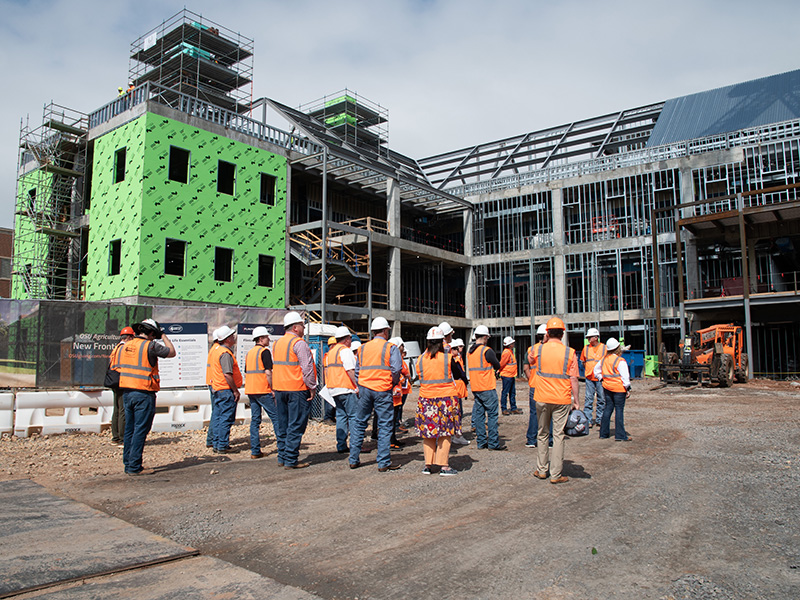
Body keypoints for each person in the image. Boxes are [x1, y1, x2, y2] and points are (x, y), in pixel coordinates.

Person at [117, 319, 175, 475]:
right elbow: (171, 352)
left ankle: (128, 462)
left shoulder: (126, 345)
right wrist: (163, 336)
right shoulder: (150, 345)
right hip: (143, 393)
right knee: (140, 430)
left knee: (130, 429)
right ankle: (134, 467)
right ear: (151, 333)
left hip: (127, 392)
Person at [350, 317, 403, 472]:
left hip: (365, 389)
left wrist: (362, 384)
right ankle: (383, 462)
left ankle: (353, 459)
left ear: (373, 332)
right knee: (385, 425)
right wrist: (391, 383)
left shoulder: (362, 348)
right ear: (386, 331)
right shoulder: (390, 348)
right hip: (382, 389)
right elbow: (396, 369)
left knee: (360, 423)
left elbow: (358, 371)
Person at [533, 317, 579, 484]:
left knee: (542, 433)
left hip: (542, 397)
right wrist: (577, 401)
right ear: (562, 333)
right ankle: (556, 474)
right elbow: (573, 379)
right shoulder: (570, 352)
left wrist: (544, 342)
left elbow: (530, 360)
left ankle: (542, 469)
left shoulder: (538, 350)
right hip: (562, 398)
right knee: (558, 435)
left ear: (547, 333)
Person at [272, 311, 317, 469]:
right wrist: (312, 387)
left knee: (283, 424)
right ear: (296, 328)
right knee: (296, 425)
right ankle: (291, 460)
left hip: (279, 389)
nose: (304, 329)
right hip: (296, 389)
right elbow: (307, 368)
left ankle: (282, 457)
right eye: (302, 326)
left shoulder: (277, 344)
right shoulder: (299, 344)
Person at [416, 327, 459, 476]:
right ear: (442, 341)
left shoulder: (421, 359)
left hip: (426, 399)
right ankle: (444, 466)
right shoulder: (447, 358)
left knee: (428, 433)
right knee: (445, 432)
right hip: (446, 400)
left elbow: (419, 374)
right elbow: (458, 373)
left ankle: (428, 465)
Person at [467, 325, 506, 451]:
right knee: (493, 415)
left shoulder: (470, 352)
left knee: (479, 416)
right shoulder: (486, 351)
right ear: (484, 337)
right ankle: (493, 443)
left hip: (476, 387)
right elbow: (497, 364)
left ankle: (481, 442)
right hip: (487, 387)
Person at [207, 325, 243, 454]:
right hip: (225, 390)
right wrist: (235, 390)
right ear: (227, 339)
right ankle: (222, 444)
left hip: (218, 388)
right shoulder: (225, 353)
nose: (234, 338)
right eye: (232, 336)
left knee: (218, 416)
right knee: (226, 418)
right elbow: (227, 374)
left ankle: (216, 443)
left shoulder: (216, 350)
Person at [324, 326, 358, 454]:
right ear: (347, 339)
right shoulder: (345, 350)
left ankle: (341, 445)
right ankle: (355, 446)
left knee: (341, 416)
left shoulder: (331, 352)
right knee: (353, 417)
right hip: (346, 388)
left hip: (334, 389)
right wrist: (357, 386)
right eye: (349, 338)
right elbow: (350, 370)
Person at [245, 326, 275, 459]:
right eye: (267, 337)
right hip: (263, 389)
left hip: (251, 390)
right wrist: (273, 388)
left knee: (255, 420)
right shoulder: (265, 352)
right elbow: (268, 372)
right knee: (276, 418)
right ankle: (283, 446)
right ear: (261, 339)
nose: (269, 339)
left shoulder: (249, 353)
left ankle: (255, 451)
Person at [595, 337, 632, 442]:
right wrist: (627, 389)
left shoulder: (604, 359)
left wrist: (601, 379)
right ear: (617, 348)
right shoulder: (620, 361)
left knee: (607, 409)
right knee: (619, 410)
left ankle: (603, 433)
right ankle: (620, 435)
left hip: (607, 387)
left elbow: (595, 371)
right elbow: (625, 378)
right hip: (619, 389)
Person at [522, 324, 552, 448]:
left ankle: (531, 440)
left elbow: (525, 368)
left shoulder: (531, 349)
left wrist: (532, 379)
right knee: (549, 413)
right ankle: (550, 441)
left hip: (535, 385)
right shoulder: (550, 350)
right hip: (548, 385)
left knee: (534, 413)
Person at [108, 326, 135, 447]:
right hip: (122, 379)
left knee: (117, 409)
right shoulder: (126, 348)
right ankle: (123, 438)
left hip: (114, 378)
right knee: (123, 409)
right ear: (129, 337)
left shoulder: (116, 348)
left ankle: (115, 437)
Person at [581, 328, 607, 427]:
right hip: (589, 377)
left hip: (600, 378)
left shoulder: (604, 348)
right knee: (588, 399)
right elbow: (583, 362)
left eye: (590, 337)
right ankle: (588, 420)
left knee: (601, 399)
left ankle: (600, 419)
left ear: (596, 337)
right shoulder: (586, 348)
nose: (588, 339)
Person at [449, 338, 470, 445]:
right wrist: (465, 380)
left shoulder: (455, 358)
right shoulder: (452, 360)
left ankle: (453, 434)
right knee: (456, 412)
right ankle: (456, 434)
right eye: (458, 348)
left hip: (451, 388)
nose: (460, 349)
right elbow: (459, 372)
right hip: (454, 388)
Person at [499, 336, 520, 415]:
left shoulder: (510, 352)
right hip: (507, 375)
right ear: (509, 344)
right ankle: (504, 408)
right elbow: (502, 364)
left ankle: (513, 407)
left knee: (512, 392)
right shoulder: (506, 352)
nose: (513, 344)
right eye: (512, 343)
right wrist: (499, 370)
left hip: (511, 375)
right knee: (505, 392)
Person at [322, 336, 338, 425]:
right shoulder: (329, 356)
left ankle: (331, 417)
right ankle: (328, 417)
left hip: (334, 381)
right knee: (330, 401)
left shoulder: (332, 355)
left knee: (333, 401)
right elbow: (328, 369)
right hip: (330, 381)